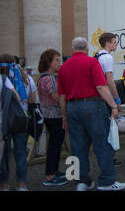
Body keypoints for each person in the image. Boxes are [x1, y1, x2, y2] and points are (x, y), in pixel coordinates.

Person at [58, 37, 125, 191]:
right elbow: (101, 87)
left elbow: (62, 97)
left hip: (71, 107)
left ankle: (80, 182)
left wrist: (64, 116)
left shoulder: (63, 67)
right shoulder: (91, 62)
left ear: (72, 48)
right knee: (103, 144)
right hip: (93, 105)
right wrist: (113, 105)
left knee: (76, 146)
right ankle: (107, 182)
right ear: (87, 49)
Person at [37, 49, 68, 186]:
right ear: (48, 62)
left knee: (54, 144)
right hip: (55, 115)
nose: (59, 63)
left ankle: (53, 171)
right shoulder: (49, 78)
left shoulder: (41, 77)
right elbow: (56, 97)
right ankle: (50, 175)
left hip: (48, 114)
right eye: (56, 60)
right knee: (55, 145)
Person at [0, 54, 29, 191]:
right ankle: (21, 184)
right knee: (20, 152)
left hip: (3, 122)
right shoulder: (19, 78)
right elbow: (19, 97)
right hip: (18, 119)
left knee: (4, 155)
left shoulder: (3, 79)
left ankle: (4, 185)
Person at [95, 32, 122, 167]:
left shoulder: (98, 56)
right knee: (110, 128)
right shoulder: (107, 58)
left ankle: (107, 158)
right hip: (106, 98)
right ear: (107, 43)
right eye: (114, 41)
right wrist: (116, 100)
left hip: (99, 97)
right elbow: (109, 81)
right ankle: (109, 159)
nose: (116, 44)